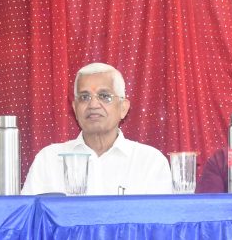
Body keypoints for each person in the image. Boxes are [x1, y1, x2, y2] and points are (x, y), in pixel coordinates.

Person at [21, 62, 171, 195]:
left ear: (123, 108)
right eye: (84, 97)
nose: (93, 105)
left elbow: (159, 217)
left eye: (104, 96)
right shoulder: (49, 160)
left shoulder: (149, 162)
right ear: (75, 109)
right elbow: (30, 217)